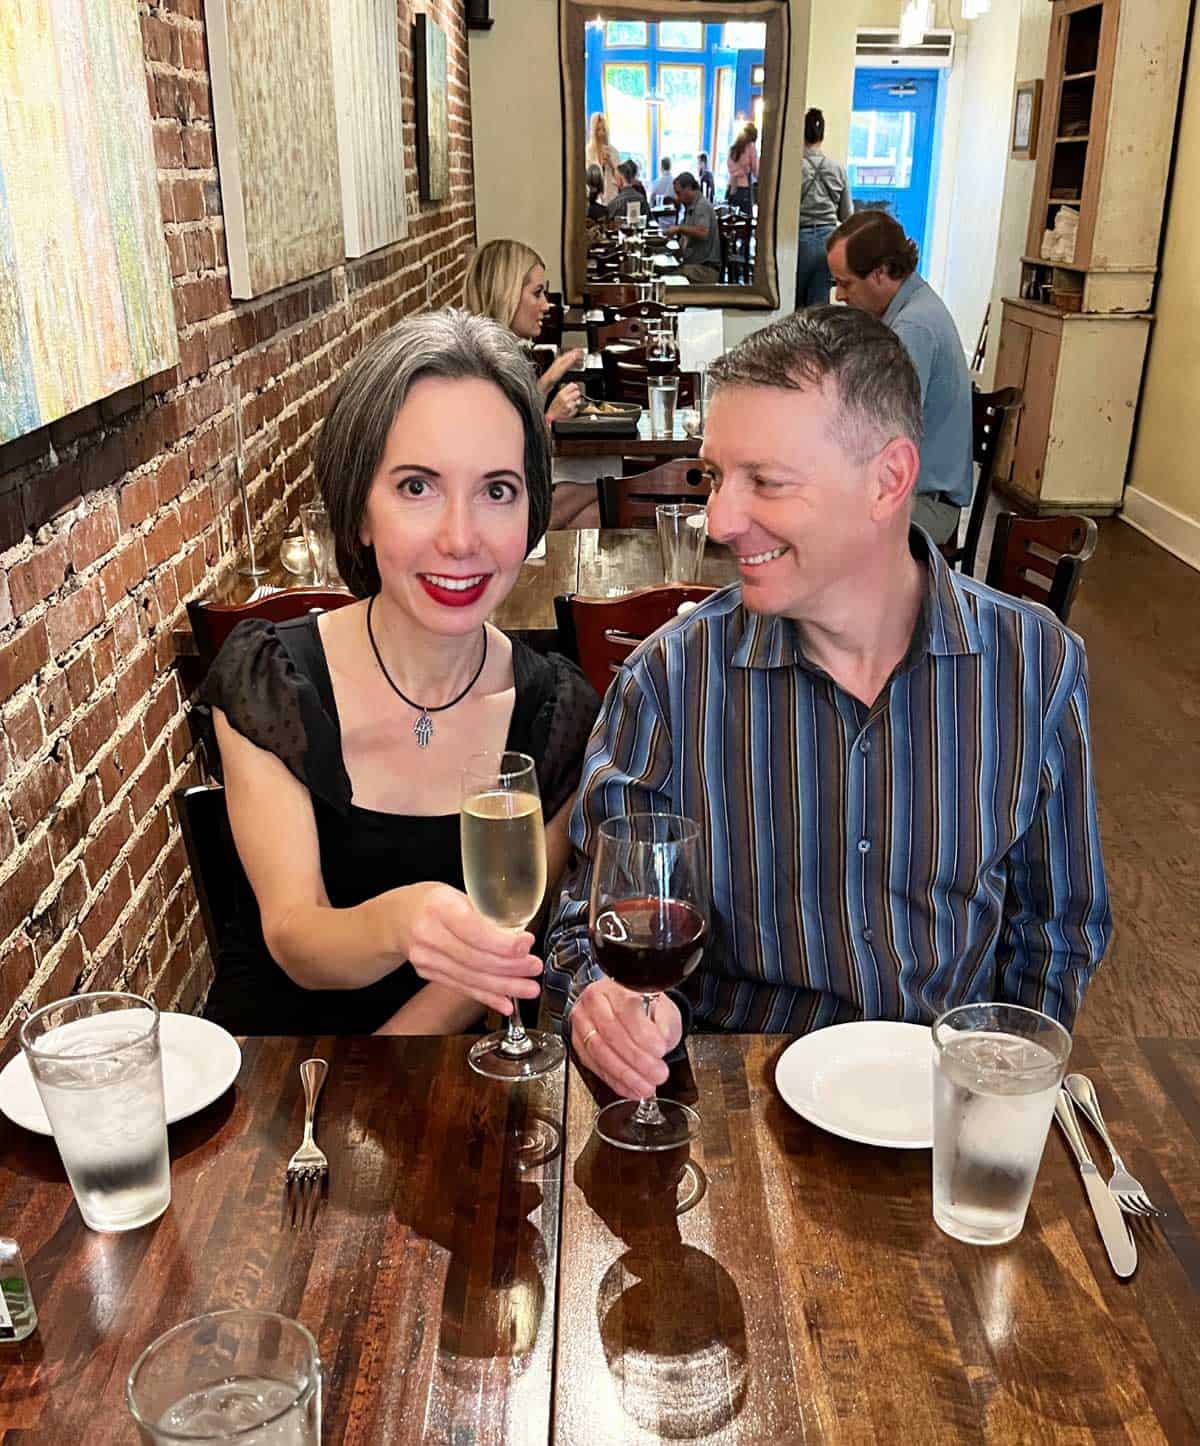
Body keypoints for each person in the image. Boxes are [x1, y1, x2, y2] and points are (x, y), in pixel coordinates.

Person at [544, 306, 1110, 1102]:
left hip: (942, 1103)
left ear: (888, 480)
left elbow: (1059, 926)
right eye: (714, 477)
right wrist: (602, 1011)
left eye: (766, 482)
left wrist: (1001, 1087)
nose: (720, 520)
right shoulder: (670, 680)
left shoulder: (1033, 663)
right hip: (736, 1110)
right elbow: (580, 928)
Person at [200, 310, 600, 1036]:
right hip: (274, 1082)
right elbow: (295, 936)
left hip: (435, 1082)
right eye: (417, 487)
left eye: (497, 491)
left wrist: (382, 1103)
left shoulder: (561, 714)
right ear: (360, 511)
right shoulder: (274, 682)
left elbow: (497, 961)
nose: (460, 538)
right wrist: (404, 920)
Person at [825, 211, 972, 546]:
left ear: (881, 273)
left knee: (815, 530)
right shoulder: (908, 308)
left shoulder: (913, 328)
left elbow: (881, 430)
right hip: (913, 493)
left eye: (845, 283)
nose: (839, 295)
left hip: (926, 507)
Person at [463, 239, 599, 528]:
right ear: (507, 294)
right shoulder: (482, 364)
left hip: (506, 499)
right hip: (496, 511)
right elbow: (504, 451)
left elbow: (513, 417)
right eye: (537, 293)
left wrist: (549, 379)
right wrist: (551, 418)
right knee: (608, 494)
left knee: (596, 511)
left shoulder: (494, 350)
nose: (546, 305)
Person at [795, 108, 852, 308]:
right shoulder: (838, 170)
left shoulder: (793, 168)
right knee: (818, 307)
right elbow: (847, 215)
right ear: (822, 135)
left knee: (795, 304)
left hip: (798, 241)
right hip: (828, 243)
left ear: (801, 133)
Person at [667, 171, 722, 284]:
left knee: (668, 280)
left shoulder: (702, 206)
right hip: (695, 265)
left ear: (688, 188)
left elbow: (703, 233)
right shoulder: (691, 206)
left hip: (706, 270)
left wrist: (680, 229)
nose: (678, 198)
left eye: (679, 193)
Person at [587, 112, 621, 204]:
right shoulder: (588, 152)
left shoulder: (613, 151)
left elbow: (620, 179)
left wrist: (610, 163)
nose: (601, 133)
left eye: (604, 130)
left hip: (612, 198)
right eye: (598, 130)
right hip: (594, 200)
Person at [726, 122, 758, 215]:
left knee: (730, 218)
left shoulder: (733, 148)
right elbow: (755, 169)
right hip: (743, 188)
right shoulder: (751, 147)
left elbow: (730, 168)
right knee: (744, 221)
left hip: (731, 187)